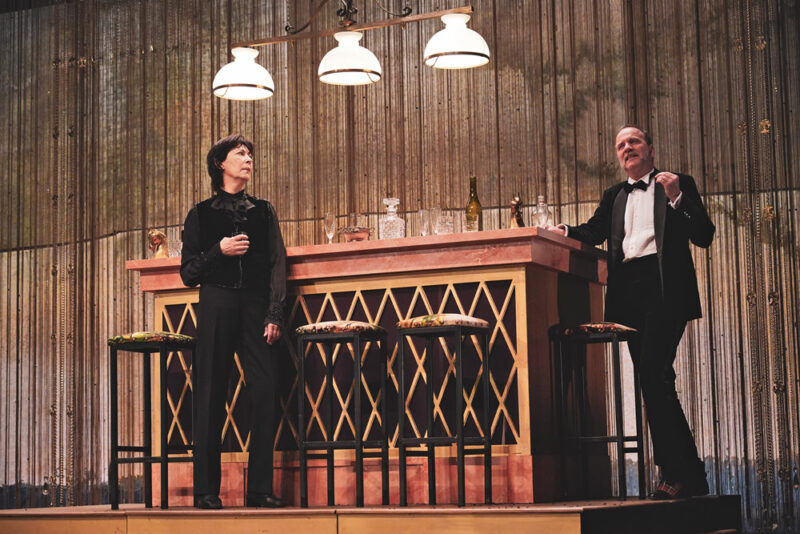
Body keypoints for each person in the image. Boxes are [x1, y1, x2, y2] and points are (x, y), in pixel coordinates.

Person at [547, 125, 715, 499]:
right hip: (628, 295)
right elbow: (593, 231)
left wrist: (677, 199)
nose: (627, 148)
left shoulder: (678, 182)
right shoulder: (614, 195)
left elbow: (704, 234)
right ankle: (690, 475)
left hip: (665, 289)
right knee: (655, 382)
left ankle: (675, 474)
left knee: (654, 376)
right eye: (621, 145)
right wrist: (565, 229)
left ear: (651, 150)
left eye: (634, 142)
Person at [180, 134, 287, 509]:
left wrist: (275, 313)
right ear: (219, 164)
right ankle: (206, 491)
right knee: (209, 395)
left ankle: (258, 490)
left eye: (250, 154)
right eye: (240, 154)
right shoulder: (201, 213)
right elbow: (188, 273)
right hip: (217, 304)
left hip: (257, 307)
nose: (248, 159)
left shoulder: (264, 210)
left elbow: (277, 264)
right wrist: (218, 250)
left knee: (265, 391)